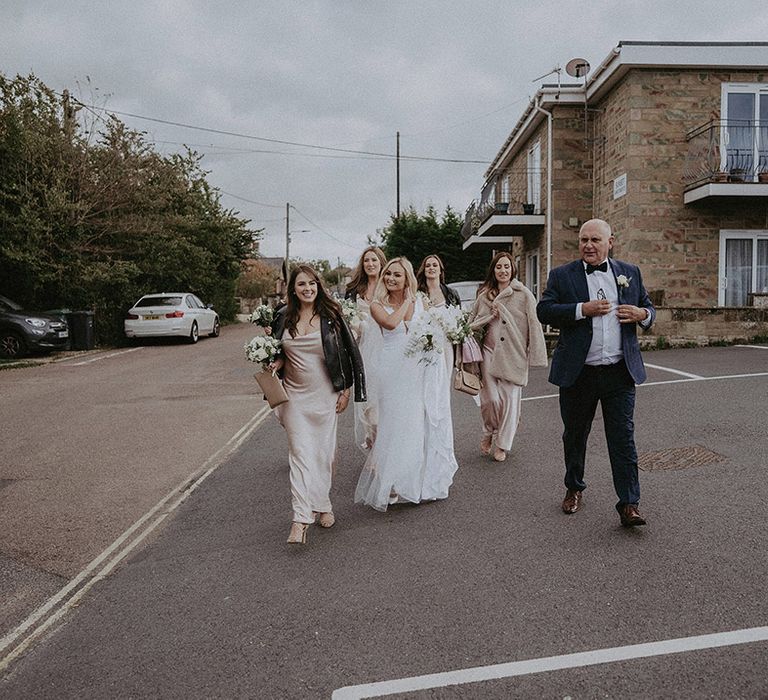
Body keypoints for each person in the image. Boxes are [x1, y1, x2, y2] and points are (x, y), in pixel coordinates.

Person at [536, 218, 655, 527]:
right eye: (583, 240)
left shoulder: (630, 272)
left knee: (623, 439)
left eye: (595, 240)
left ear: (609, 242)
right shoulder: (562, 276)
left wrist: (642, 315)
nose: (588, 245)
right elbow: (544, 310)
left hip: (619, 372)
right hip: (579, 373)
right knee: (575, 435)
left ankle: (629, 503)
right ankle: (574, 488)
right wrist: (581, 309)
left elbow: (648, 309)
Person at [269, 264, 366, 544]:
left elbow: (349, 353)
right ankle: (300, 518)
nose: (307, 288)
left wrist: (346, 391)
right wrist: (274, 363)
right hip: (293, 396)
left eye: (311, 283)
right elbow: (278, 352)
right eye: (301, 284)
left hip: (325, 394)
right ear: (293, 289)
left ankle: (323, 504)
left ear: (318, 286)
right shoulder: (283, 317)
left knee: (324, 455)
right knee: (300, 453)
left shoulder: (331, 315)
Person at [354, 257, 458, 511]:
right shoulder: (377, 305)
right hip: (390, 369)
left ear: (406, 278)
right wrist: (410, 300)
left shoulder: (418, 301)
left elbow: (420, 330)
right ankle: (388, 482)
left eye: (397, 275)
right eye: (388, 274)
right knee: (392, 424)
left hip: (414, 369)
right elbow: (392, 324)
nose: (390, 278)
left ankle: (412, 482)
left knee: (413, 425)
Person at [468, 251, 548, 462]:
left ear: (512, 269)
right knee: (490, 399)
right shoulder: (484, 296)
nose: (503, 271)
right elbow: (470, 323)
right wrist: (489, 316)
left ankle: (502, 444)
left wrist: (536, 356)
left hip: (514, 353)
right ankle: (488, 431)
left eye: (506, 266)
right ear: (493, 271)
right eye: (498, 267)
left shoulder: (523, 294)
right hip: (488, 353)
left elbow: (534, 325)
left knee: (510, 401)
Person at [345, 246, 387, 451]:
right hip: (363, 351)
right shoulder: (354, 291)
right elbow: (346, 321)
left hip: (386, 350)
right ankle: (372, 438)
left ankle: (379, 445)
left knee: (384, 399)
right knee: (368, 399)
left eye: (374, 260)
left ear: (381, 263)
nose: (370, 264)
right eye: (366, 261)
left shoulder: (389, 287)